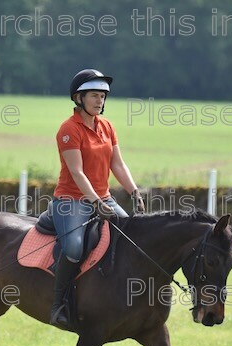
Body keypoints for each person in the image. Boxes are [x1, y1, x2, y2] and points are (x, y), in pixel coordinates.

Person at [49, 68, 145, 328]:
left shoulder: (107, 127)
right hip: (72, 201)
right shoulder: (69, 129)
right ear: (78, 98)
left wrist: (133, 190)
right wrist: (95, 202)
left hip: (103, 198)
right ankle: (58, 304)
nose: (100, 100)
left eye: (103, 96)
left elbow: (118, 165)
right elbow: (76, 172)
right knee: (73, 248)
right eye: (94, 95)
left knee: (133, 240)